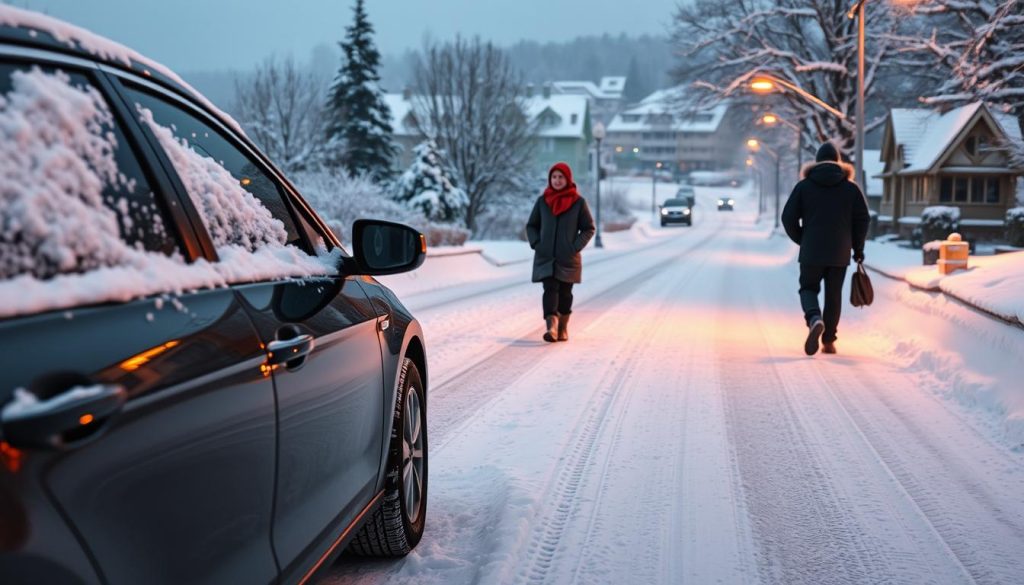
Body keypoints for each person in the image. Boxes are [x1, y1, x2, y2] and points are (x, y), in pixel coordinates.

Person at [781, 142, 870, 356]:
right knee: (833, 295)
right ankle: (829, 341)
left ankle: (814, 318)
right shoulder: (851, 188)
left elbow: (788, 217)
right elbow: (862, 219)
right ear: (838, 162)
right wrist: (857, 249)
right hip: (839, 253)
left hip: (812, 250)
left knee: (808, 288)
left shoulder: (804, 186)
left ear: (817, 162)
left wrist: (803, 239)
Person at [526, 162, 595, 342]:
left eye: (560, 177)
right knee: (550, 289)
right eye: (554, 177)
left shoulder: (579, 203)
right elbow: (532, 225)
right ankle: (552, 327)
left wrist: (574, 247)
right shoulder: (542, 202)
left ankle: (563, 327)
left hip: (568, 258)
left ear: (567, 179)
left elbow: (588, 228)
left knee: (565, 293)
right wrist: (537, 244)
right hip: (546, 256)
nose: (557, 181)